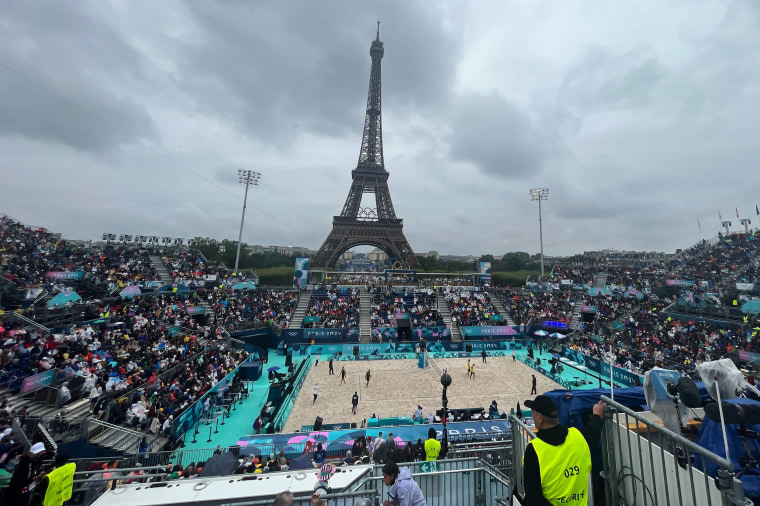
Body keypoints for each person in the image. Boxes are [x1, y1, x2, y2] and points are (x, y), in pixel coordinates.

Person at [523, 395, 605, 505]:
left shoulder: (534, 449)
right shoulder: (579, 437)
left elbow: (533, 498)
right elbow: (593, 430)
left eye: (533, 414)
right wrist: (597, 415)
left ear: (540, 418)